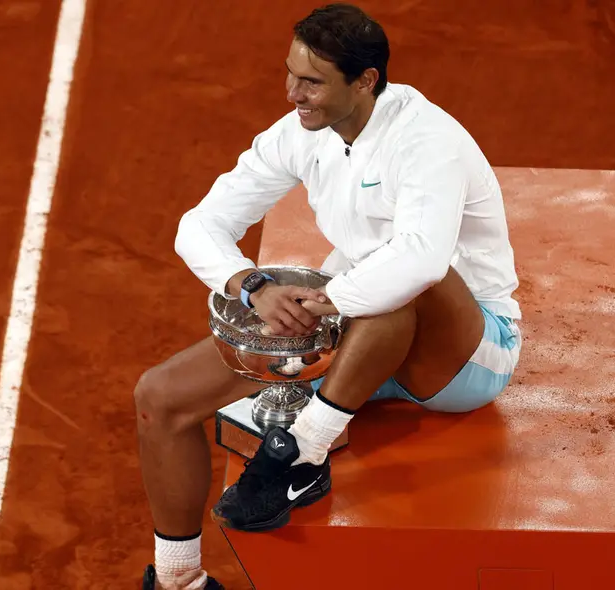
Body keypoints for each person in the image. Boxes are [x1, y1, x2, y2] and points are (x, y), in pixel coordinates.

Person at [135, 3, 523, 589]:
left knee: (408, 276)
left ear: (365, 81)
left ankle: (300, 457)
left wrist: (330, 298)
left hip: (466, 351)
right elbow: (200, 225)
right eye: (291, 74)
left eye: (312, 81)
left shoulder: (426, 140)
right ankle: (178, 580)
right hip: (361, 335)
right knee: (160, 396)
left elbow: (420, 260)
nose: (294, 93)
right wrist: (253, 285)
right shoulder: (299, 134)